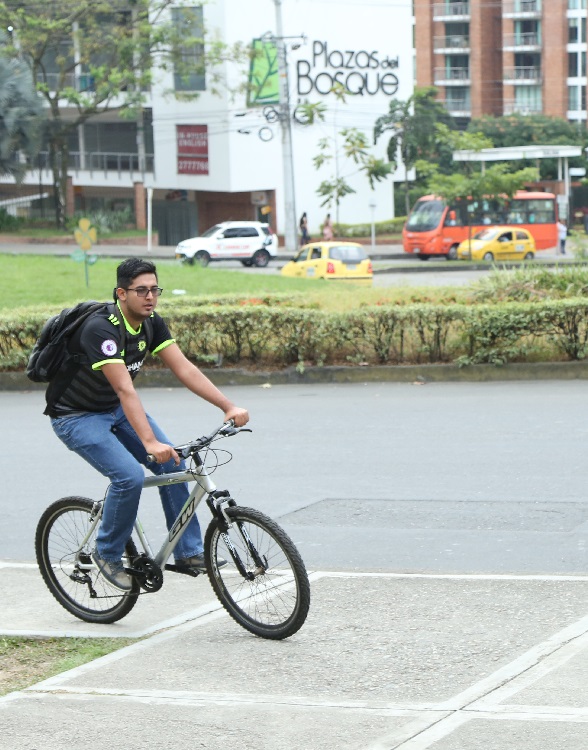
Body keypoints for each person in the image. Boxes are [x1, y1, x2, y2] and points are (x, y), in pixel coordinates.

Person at [47, 258, 249, 592]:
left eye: (155, 289)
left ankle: (188, 552)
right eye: (142, 290)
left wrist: (227, 406)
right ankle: (108, 553)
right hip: (76, 417)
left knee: (173, 463)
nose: (150, 297)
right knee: (129, 477)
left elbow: (184, 369)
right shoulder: (102, 329)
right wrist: (149, 443)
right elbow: (125, 388)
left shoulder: (152, 323)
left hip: (113, 409)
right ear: (121, 293)